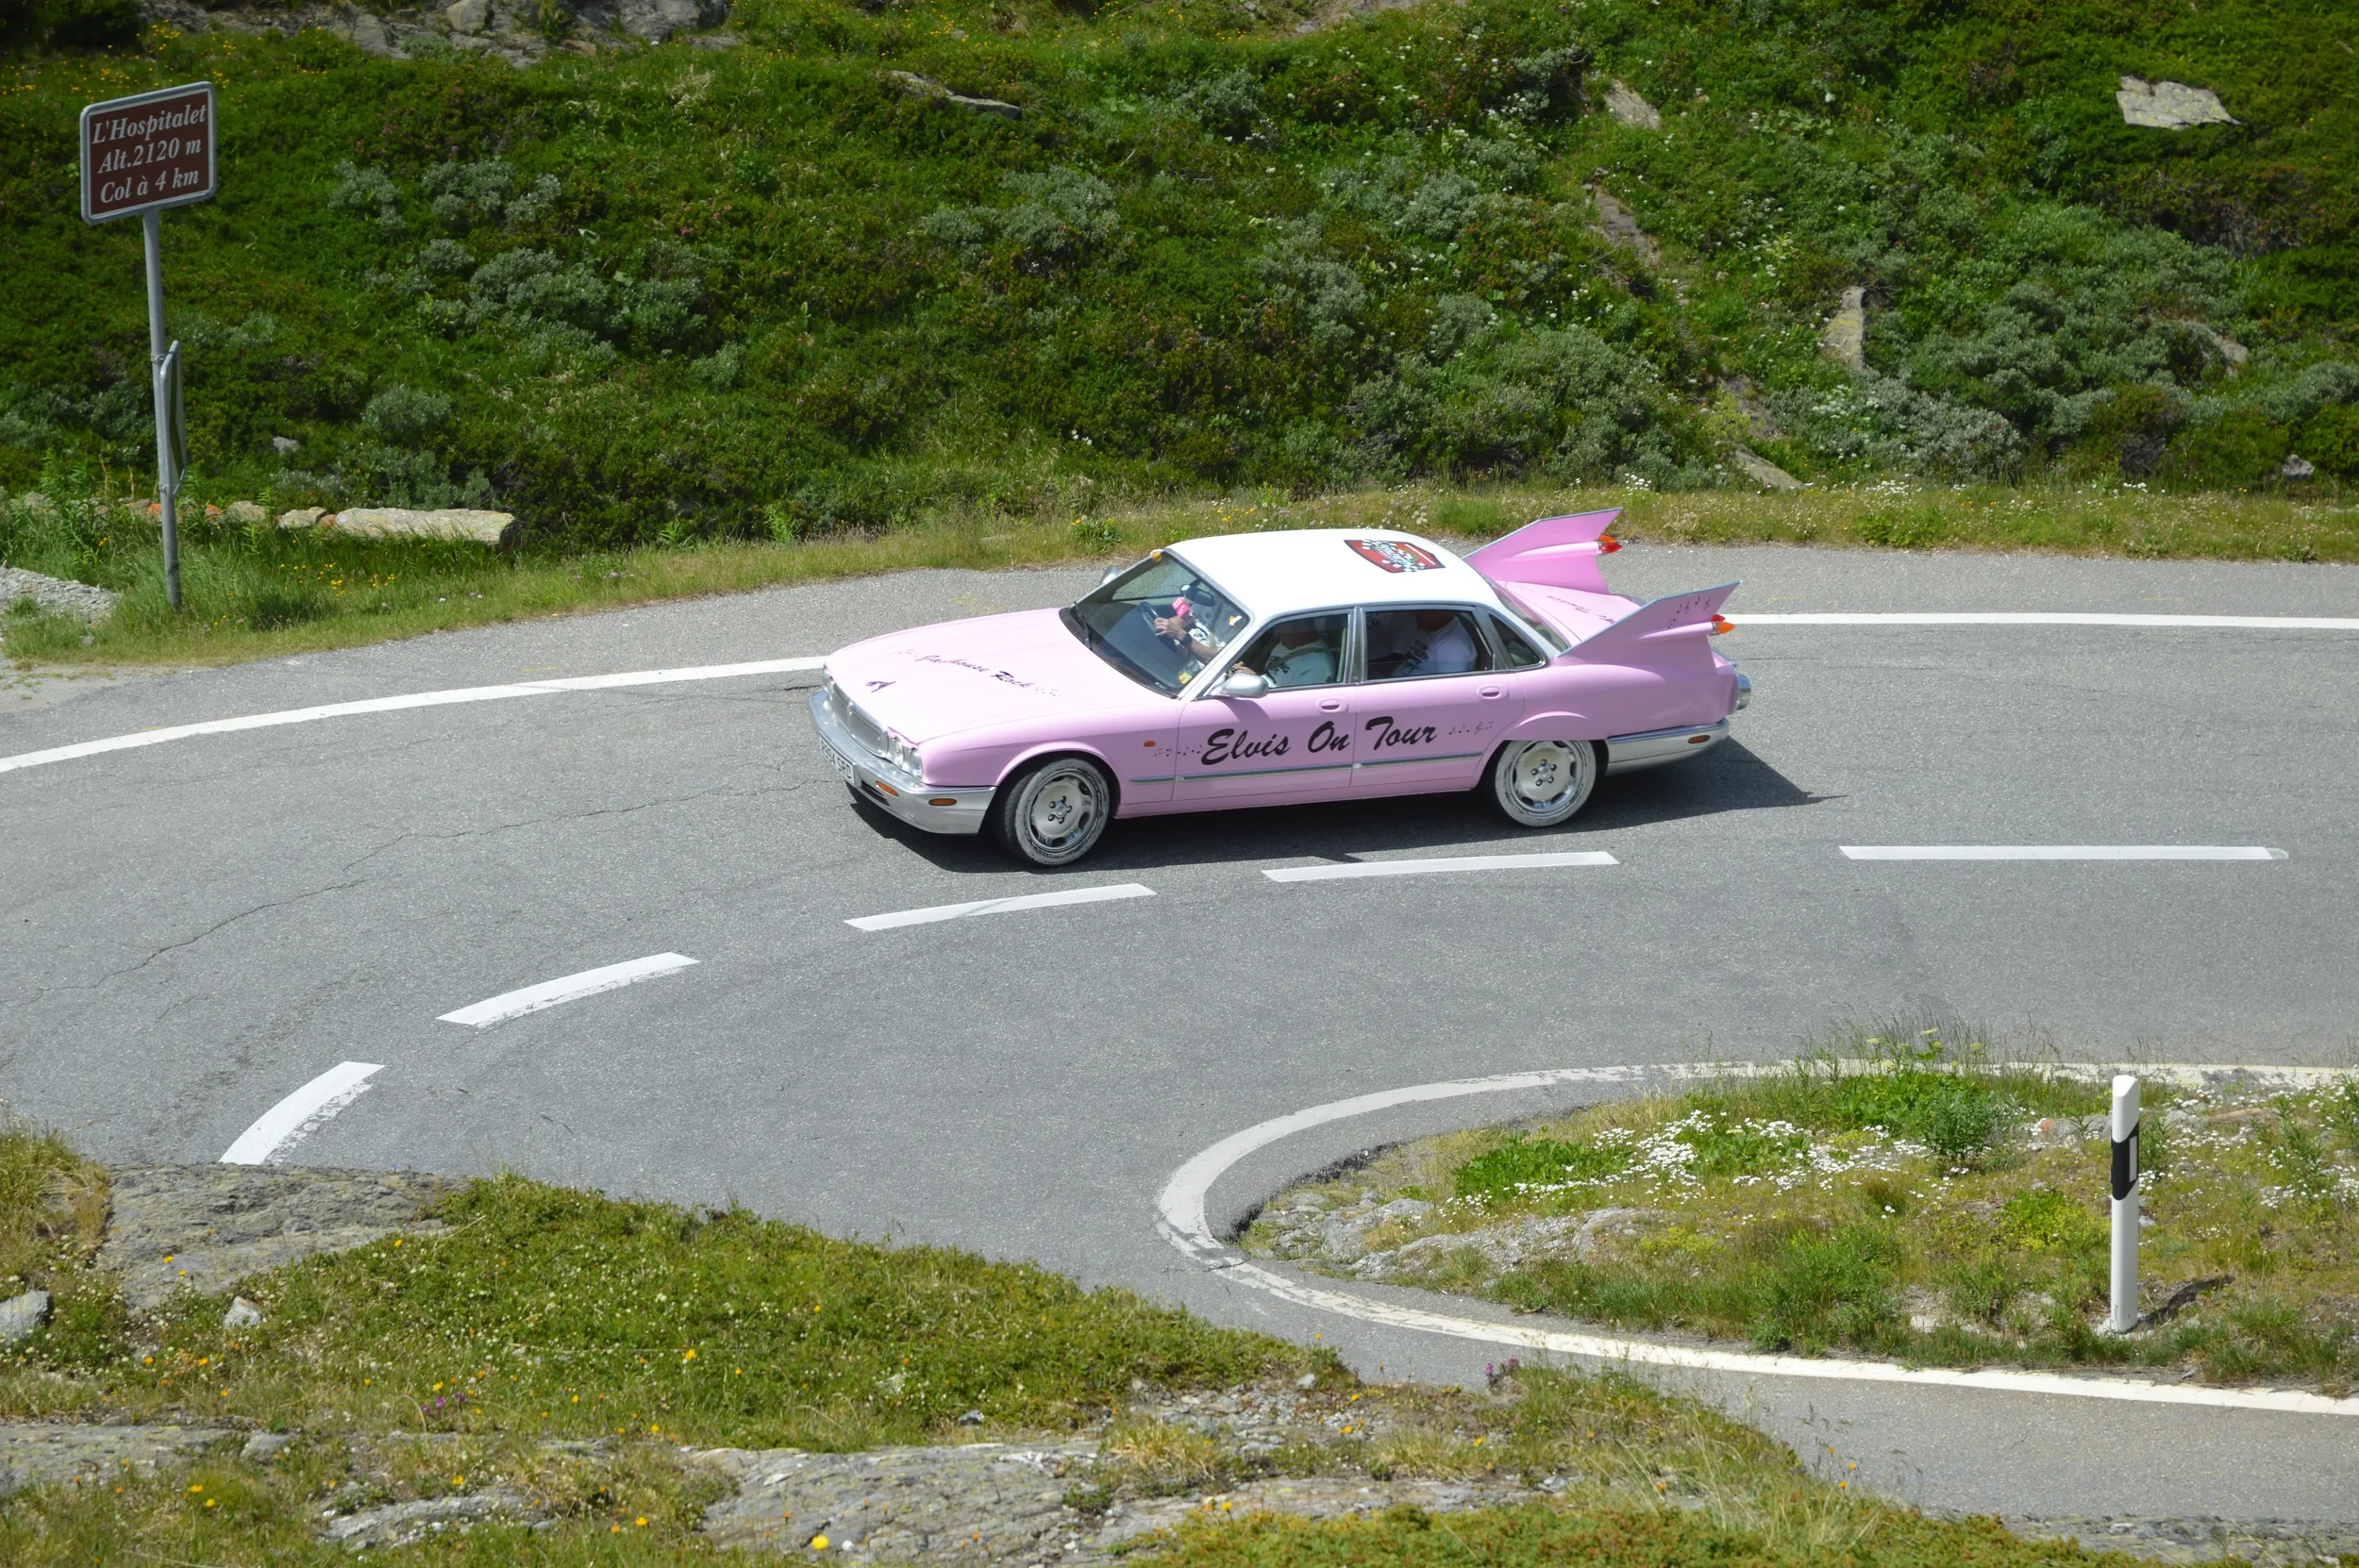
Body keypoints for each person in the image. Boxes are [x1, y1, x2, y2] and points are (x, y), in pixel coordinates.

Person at [1370, 608, 1481, 678]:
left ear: (1440, 613)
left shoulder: (1455, 650)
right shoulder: (1426, 627)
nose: (1414, 614)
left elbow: (1448, 694)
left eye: (1421, 612)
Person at [1236, 617, 1341, 688]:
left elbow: (1295, 704)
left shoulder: (1317, 665)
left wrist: (1256, 681)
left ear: (1301, 627)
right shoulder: (1287, 642)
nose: (1277, 634)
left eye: (1280, 629)